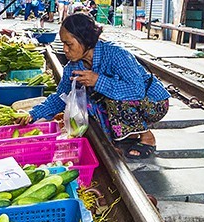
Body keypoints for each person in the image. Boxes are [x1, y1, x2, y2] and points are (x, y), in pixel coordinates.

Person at [27, 13, 169, 158]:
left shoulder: (116, 54)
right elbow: (61, 97)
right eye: (63, 43)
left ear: (86, 40)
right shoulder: (72, 67)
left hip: (153, 103)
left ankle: (147, 137)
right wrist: (32, 114)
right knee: (88, 103)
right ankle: (127, 136)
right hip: (127, 105)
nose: (65, 49)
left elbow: (137, 90)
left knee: (110, 98)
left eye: (69, 44)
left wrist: (98, 81)